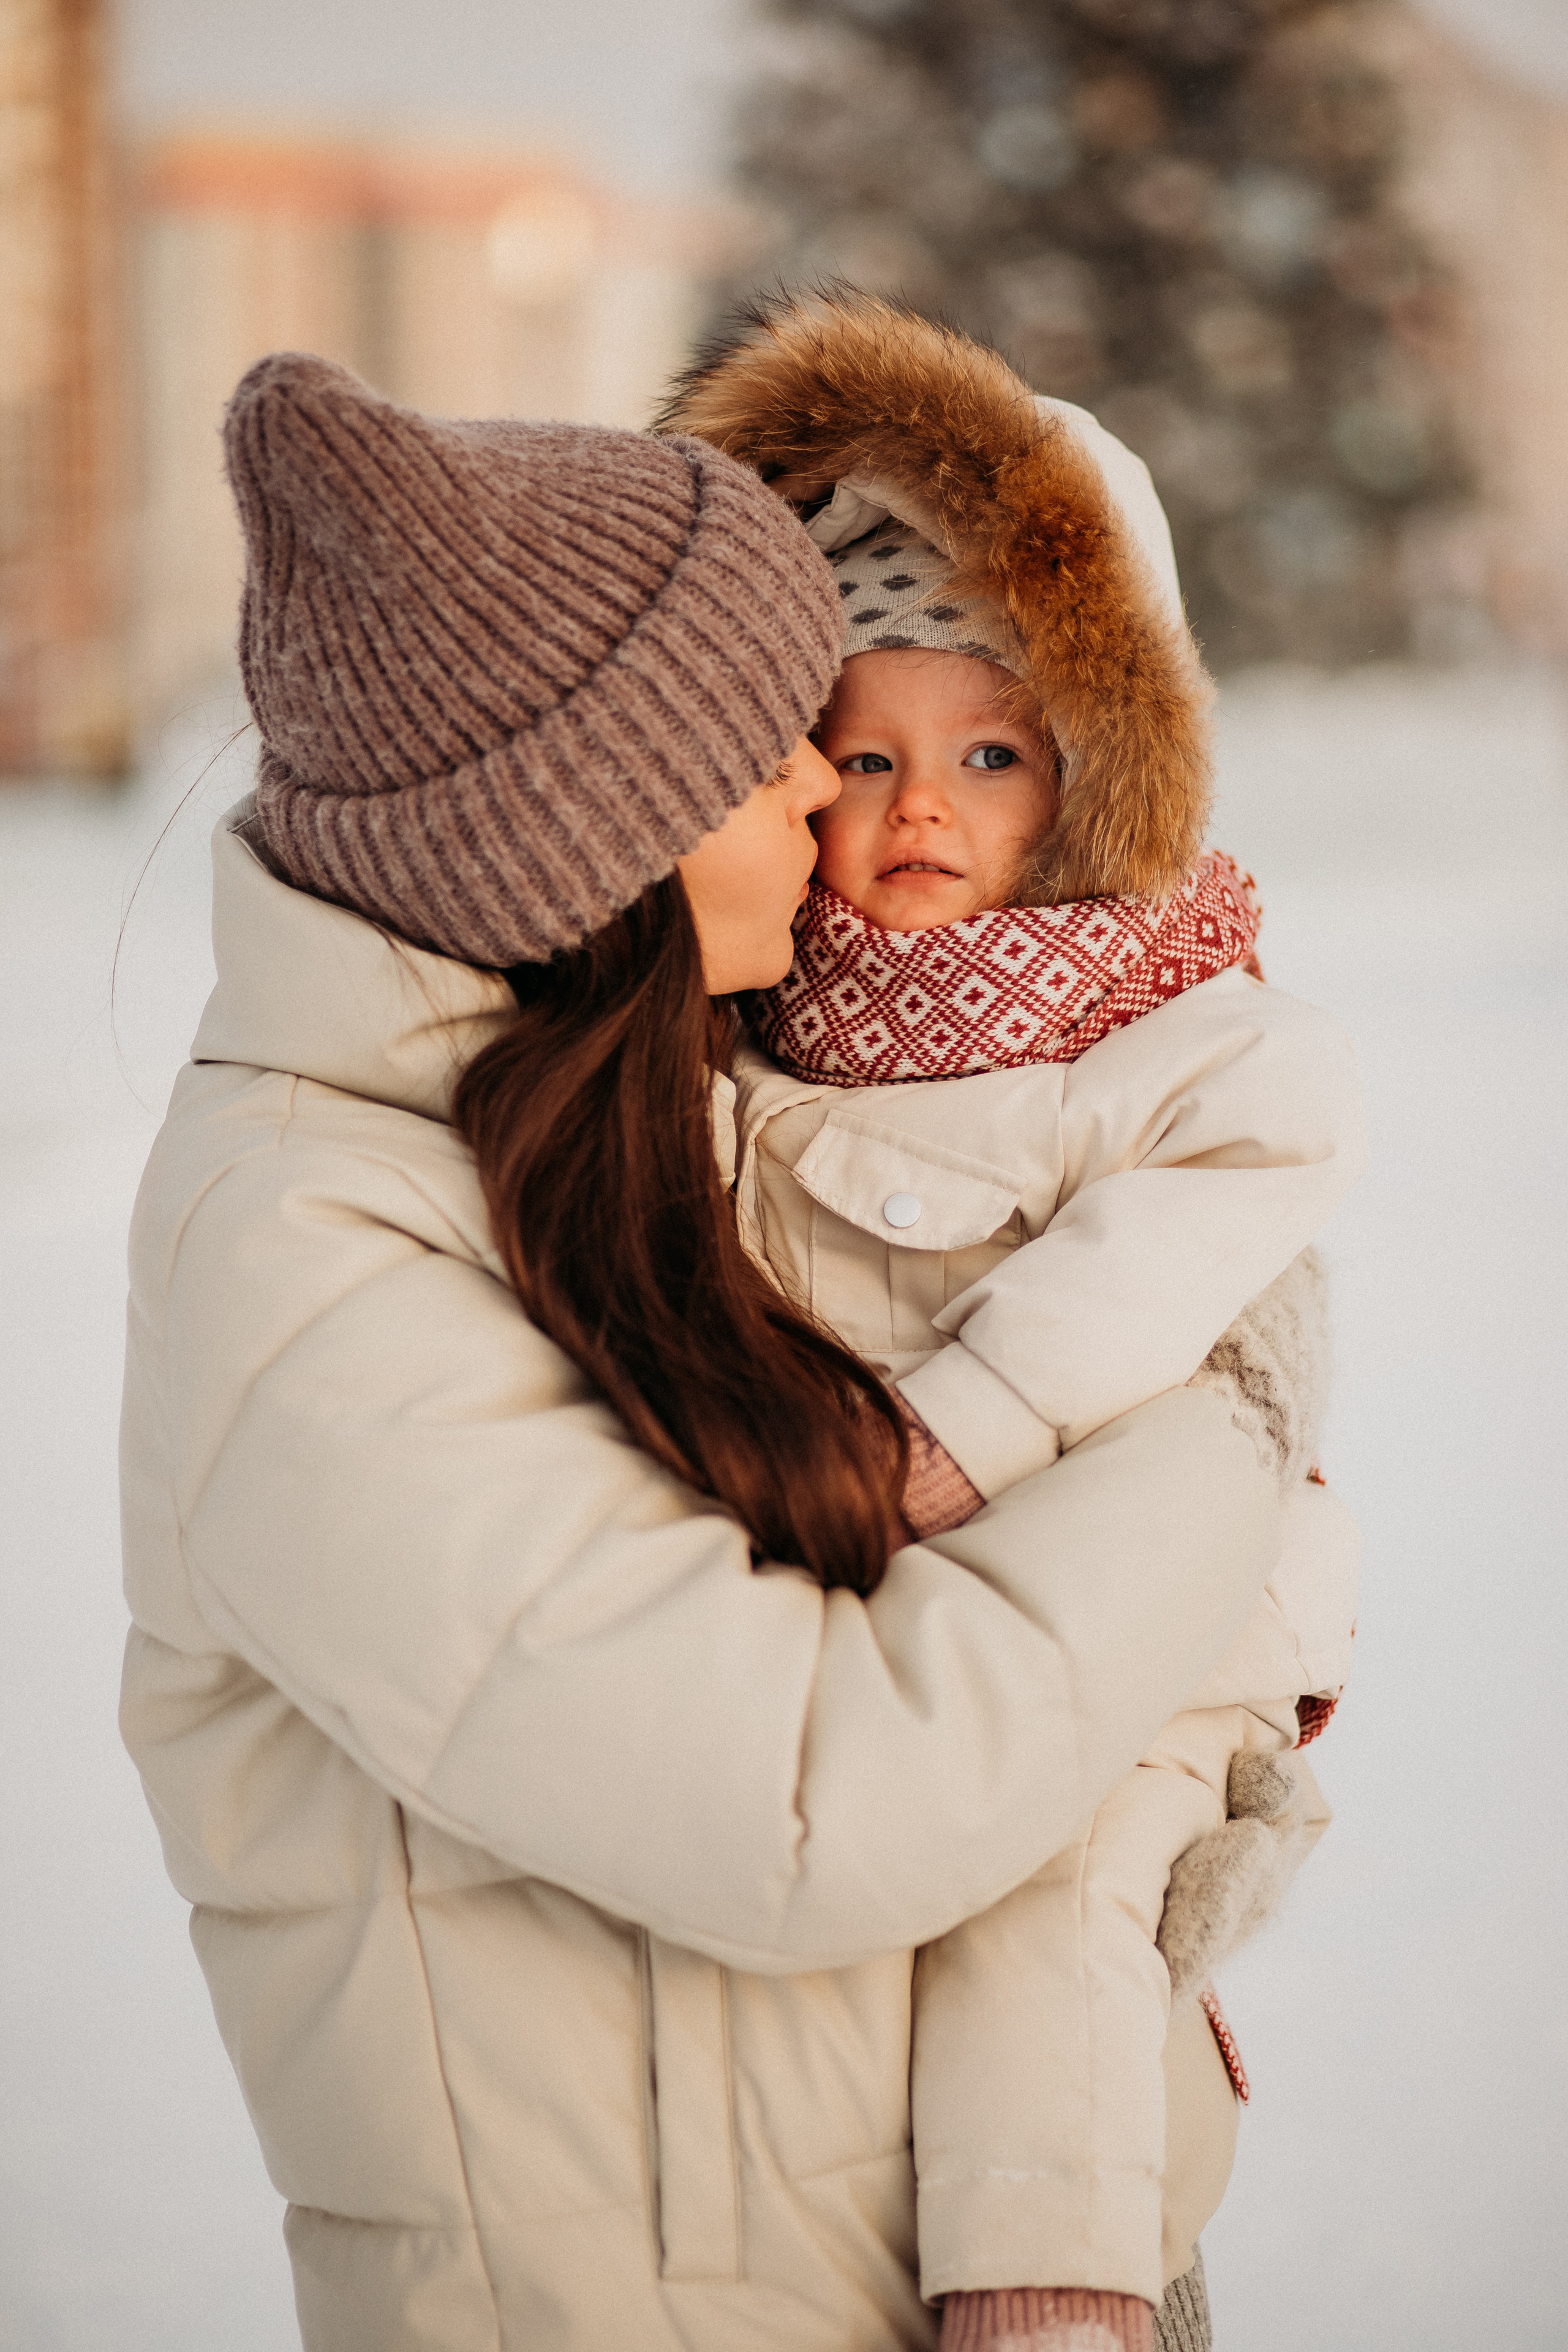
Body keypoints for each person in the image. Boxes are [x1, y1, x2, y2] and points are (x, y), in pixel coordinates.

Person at [121, 351, 1322, 2352]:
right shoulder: (302, 1259)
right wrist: (1224, 1409)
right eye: (780, 744)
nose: (830, 792)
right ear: (592, 832)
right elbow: (817, 1806)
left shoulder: (648, 1115)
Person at [660, 292, 1365, 2352]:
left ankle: (1053, 2292)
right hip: (893, 1614)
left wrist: (962, 1427)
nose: (921, 809)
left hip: (1157, 1626)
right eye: (862, 758)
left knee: (1047, 1898)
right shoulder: (762, 1038)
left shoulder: (1172, 1025)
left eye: (988, 753)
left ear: (1092, 772)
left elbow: (1207, 1223)